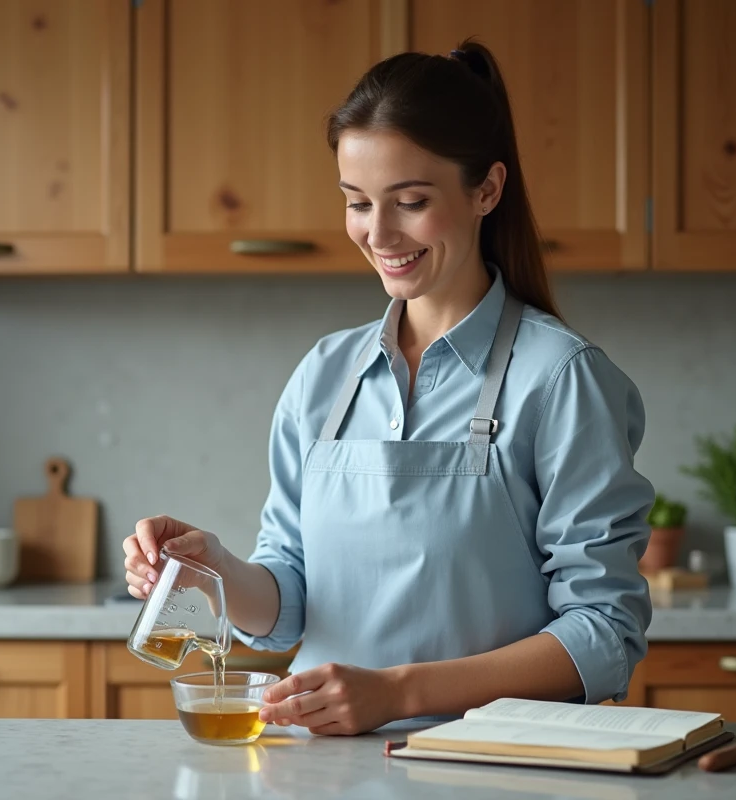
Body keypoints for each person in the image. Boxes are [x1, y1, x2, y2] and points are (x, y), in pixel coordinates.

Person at [122, 40, 654, 736]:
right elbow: (290, 595)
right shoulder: (325, 375)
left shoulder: (560, 378)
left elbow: (605, 634)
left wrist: (396, 693)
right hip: (326, 770)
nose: (379, 234)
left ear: (487, 190)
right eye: (357, 202)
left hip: (496, 772)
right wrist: (212, 572)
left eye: (409, 202)